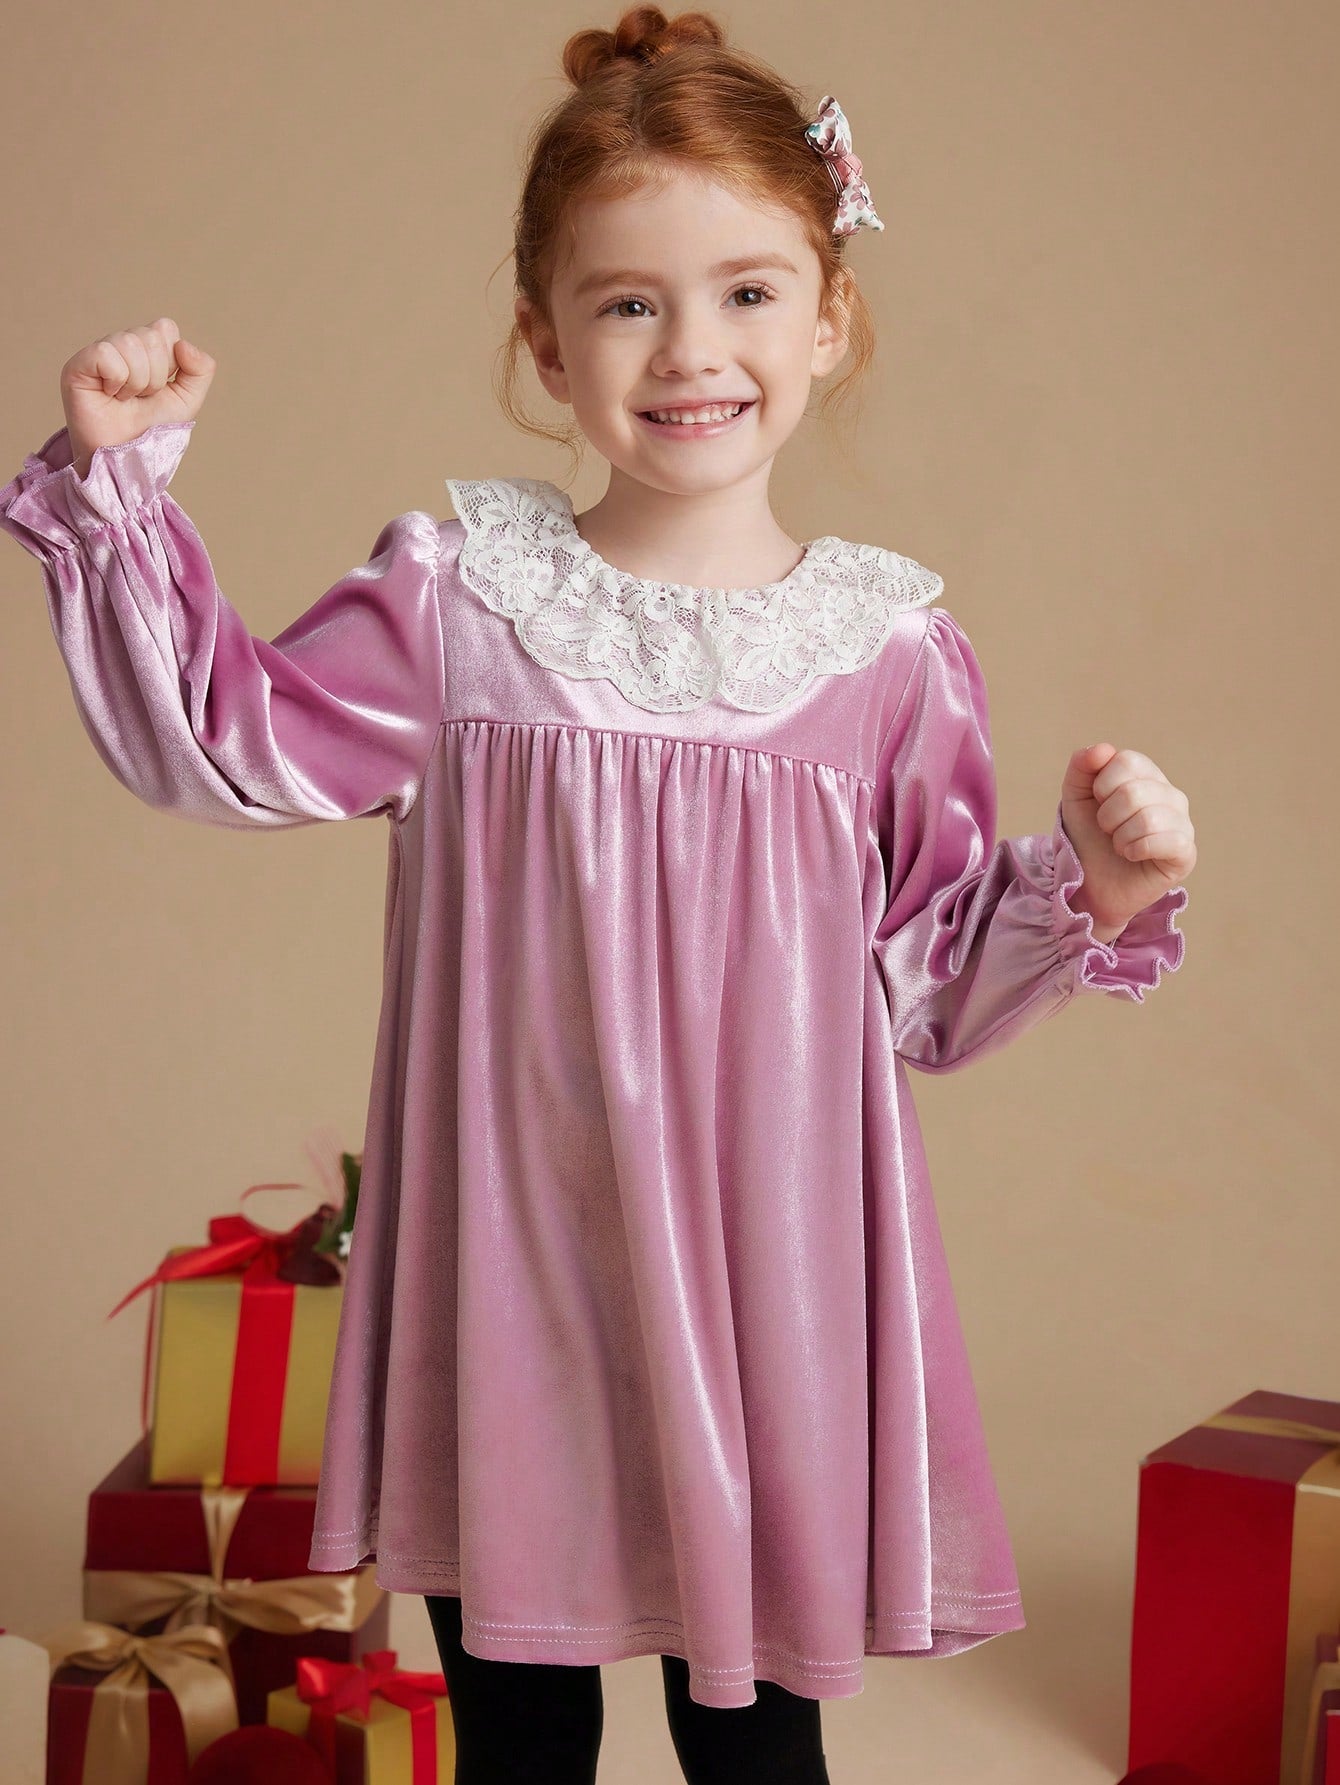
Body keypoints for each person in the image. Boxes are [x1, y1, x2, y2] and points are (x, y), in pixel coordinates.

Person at [0, 5, 1196, 1780]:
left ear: (829, 315)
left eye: (747, 291)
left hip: (767, 1306)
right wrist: (119, 487)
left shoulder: (886, 657)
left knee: (759, 1751)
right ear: (545, 343)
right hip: (516, 1287)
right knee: (523, 1740)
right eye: (629, 301)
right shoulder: (462, 604)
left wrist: (1094, 879)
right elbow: (224, 741)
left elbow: (933, 989)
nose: (690, 348)